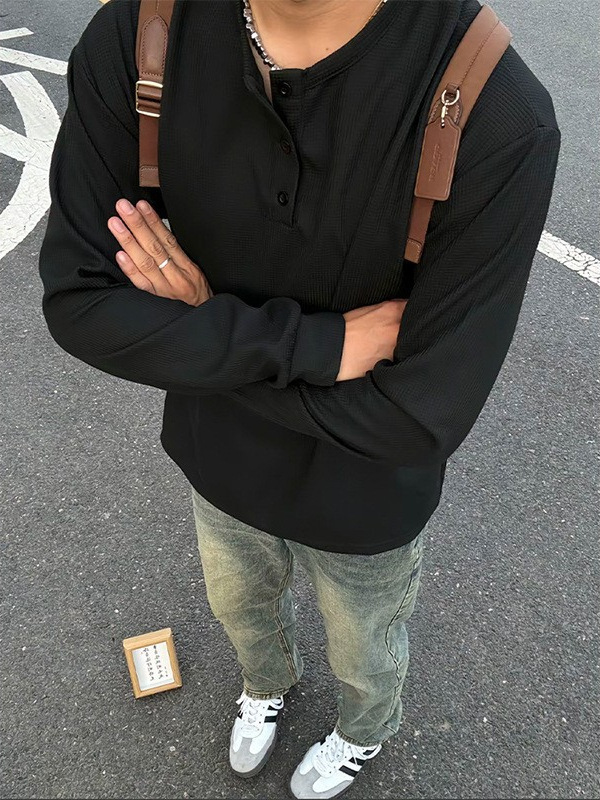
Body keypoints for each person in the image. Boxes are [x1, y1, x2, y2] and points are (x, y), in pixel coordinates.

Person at [38, 0, 561, 797]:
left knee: (364, 647)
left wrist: (201, 326)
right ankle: (266, 685)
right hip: (220, 467)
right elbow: (80, 302)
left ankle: (364, 730)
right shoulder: (143, 32)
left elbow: (417, 419)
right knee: (239, 609)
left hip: (364, 500)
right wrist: (319, 347)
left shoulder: (495, 108)